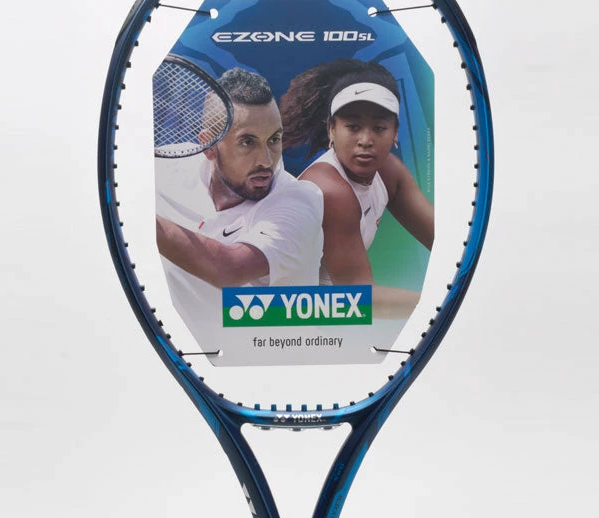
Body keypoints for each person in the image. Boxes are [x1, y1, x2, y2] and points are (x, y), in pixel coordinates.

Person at [155, 67, 323, 348]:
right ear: (209, 146)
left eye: (274, 140)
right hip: (188, 358)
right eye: (247, 142)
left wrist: (138, 220)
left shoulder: (300, 201)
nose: (266, 160)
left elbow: (228, 269)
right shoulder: (165, 169)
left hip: (281, 363)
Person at [280, 59, 434, 318]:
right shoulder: (328, 190)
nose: (365, 140)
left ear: (395, 132)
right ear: (331, 129)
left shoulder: (388, 171)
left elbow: (446, 242)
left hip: (323, 318)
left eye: (379, 128)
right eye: (352, 127)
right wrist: (447, 299)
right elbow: (360, 300)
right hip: (273, 319)